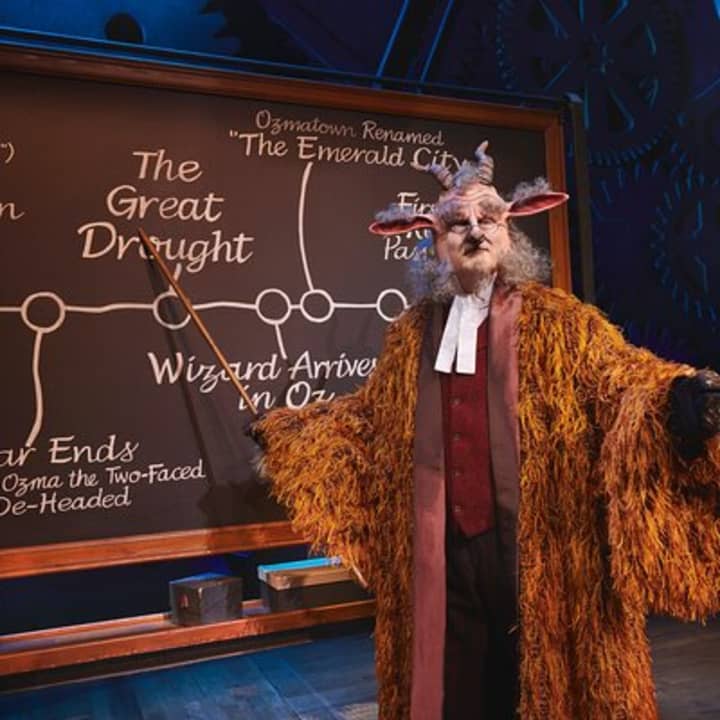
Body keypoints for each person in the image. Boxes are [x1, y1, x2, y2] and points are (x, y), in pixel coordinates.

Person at [250, 142, 720, 720]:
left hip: (540, 545)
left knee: (542, 680)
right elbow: (370, 425)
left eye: (489, 217)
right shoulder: (409, 338)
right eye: (457, 222)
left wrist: (677, 400)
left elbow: (621, 381)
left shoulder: (562, 323)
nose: (474, 230)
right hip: (442, 555)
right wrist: (293, 434)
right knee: (459, 687)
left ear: (510, 229)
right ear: (433, 240)